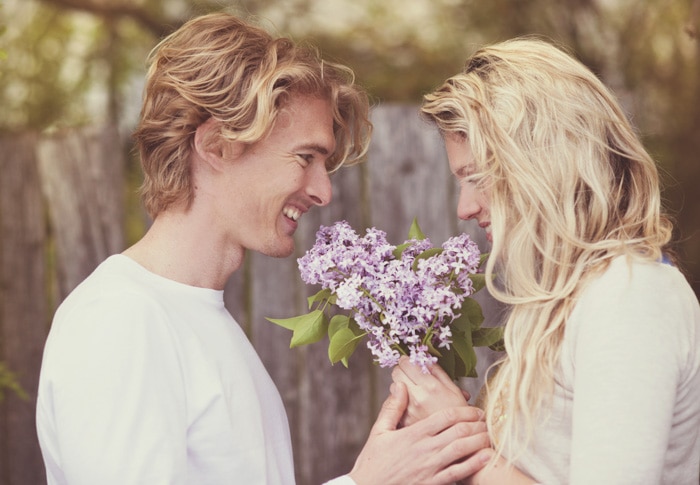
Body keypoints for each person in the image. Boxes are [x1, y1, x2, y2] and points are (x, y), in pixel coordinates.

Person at [35, 12, 490, 485]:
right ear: (217, 146)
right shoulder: (120, 320)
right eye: (305, 157)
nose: (323, 192)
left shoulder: (194, 317)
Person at [392, 37, 700, 484]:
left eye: (476, 177)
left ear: (540, 162)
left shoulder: (630, 297)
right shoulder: (570, 295)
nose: (465, 207)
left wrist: (463, 450)